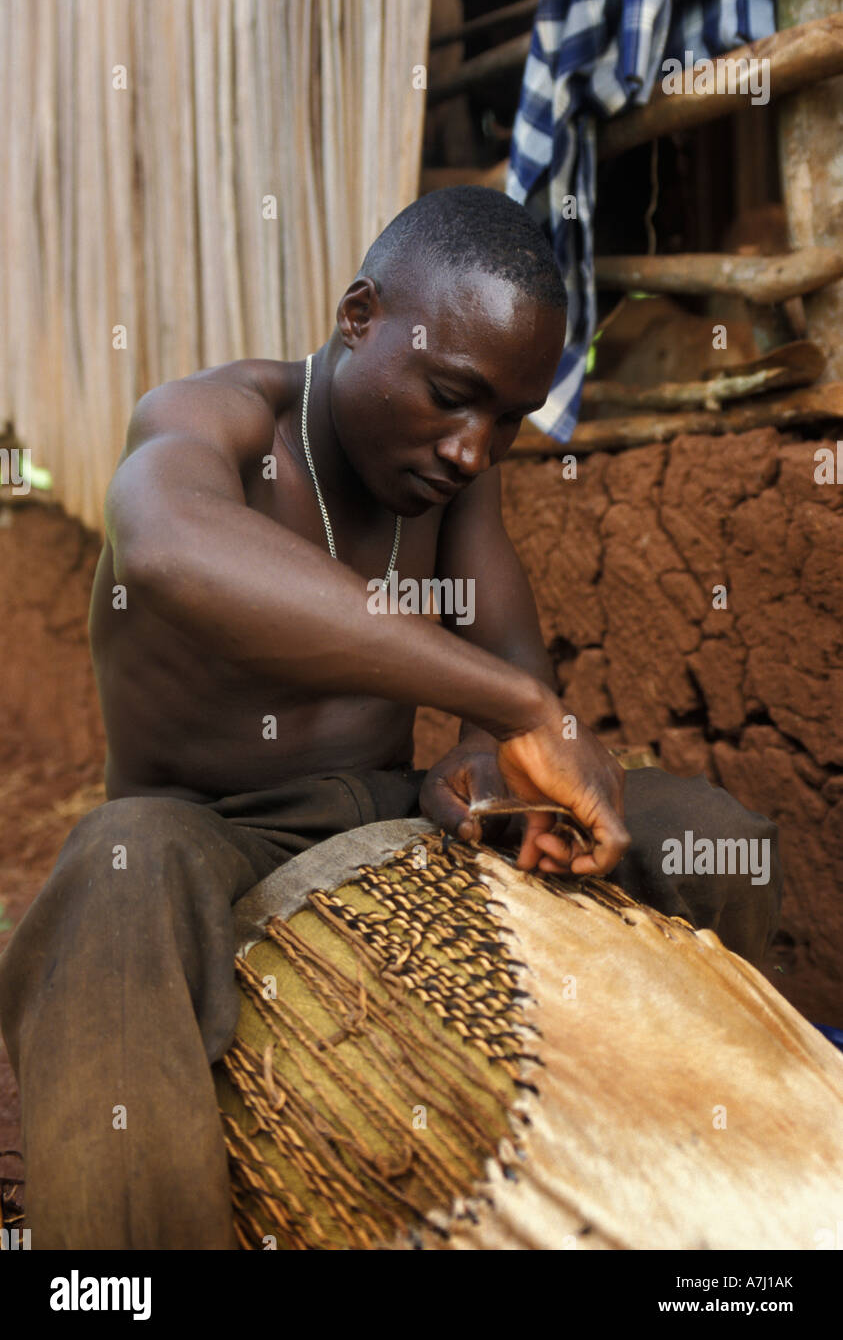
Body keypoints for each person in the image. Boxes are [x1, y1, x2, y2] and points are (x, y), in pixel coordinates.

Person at [0, 187, 781, 1249]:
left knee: (717, 836)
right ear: (360, 317)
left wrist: (479, 776)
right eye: (453, 395)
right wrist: (513, 707)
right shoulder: (217, 417)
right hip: (205, 835)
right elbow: (169, 545)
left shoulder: (451, 484)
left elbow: (504, 689)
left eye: (506, 420)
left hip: (388, 816)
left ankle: (716, 1186)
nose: (473, 450)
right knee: (112, 867)